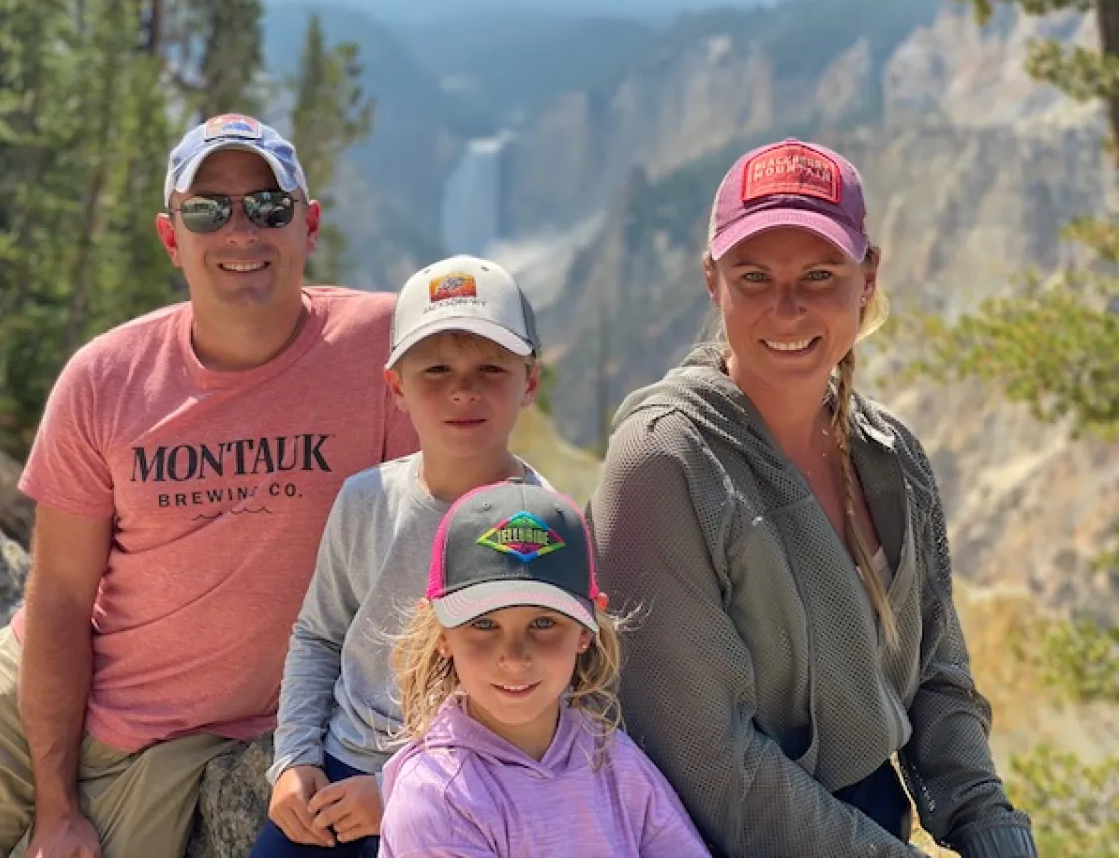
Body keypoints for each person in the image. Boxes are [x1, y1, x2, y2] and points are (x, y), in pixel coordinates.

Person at [0, 113, 420, 858]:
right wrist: (56, 805)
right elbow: (59, 596)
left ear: (309, 225)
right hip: (40, 688)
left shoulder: (385, 351)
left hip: (183, 739)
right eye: (208, 210)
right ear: (170, 237)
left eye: (269, 206)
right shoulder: (104, 378)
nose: (241, 231)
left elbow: (448, 522)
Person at [587, 138, 1039, 858]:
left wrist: (992, 828)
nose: (787, 308)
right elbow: (710, 762)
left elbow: (938, 677)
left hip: (866, 829)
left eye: (820, 275)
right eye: (755, 276)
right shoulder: (665, 463)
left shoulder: (889, 456)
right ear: (712, 282)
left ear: (868, 277)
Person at [251, 254, 551, 857]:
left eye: (491, 368)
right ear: (397, 387)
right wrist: (294, 759)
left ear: (529, 384)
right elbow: (320, 635)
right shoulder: (365, 500)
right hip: (339, 774)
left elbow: (540, 699)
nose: (463, 389)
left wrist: (401, 791)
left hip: (470, 790)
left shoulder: (541, 527)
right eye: (435, 369)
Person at [376, 480, 712, 857]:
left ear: (585, 630)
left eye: (543, 623)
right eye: (484, 624)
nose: (515, 657)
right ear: (442, 635)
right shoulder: (437, 794)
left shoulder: (611, 754)